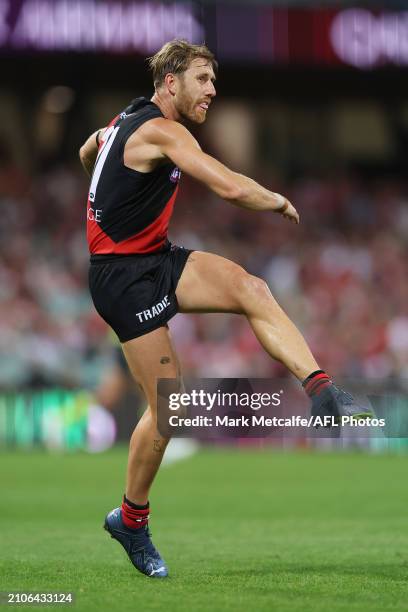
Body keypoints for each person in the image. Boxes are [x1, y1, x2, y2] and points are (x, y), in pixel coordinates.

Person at [79, 40, 371, 579]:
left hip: (153, 257)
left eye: (213, 79)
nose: (212, 90)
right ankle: (131, 519)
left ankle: (322, 388)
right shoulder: (162, 130)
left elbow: (87, 150)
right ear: (170, 82)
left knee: (249, 288)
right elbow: (228, 186)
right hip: (123, 279)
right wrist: (277, 200)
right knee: (169, 411)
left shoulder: (125, 121)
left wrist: (103, 150)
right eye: (202, 79)